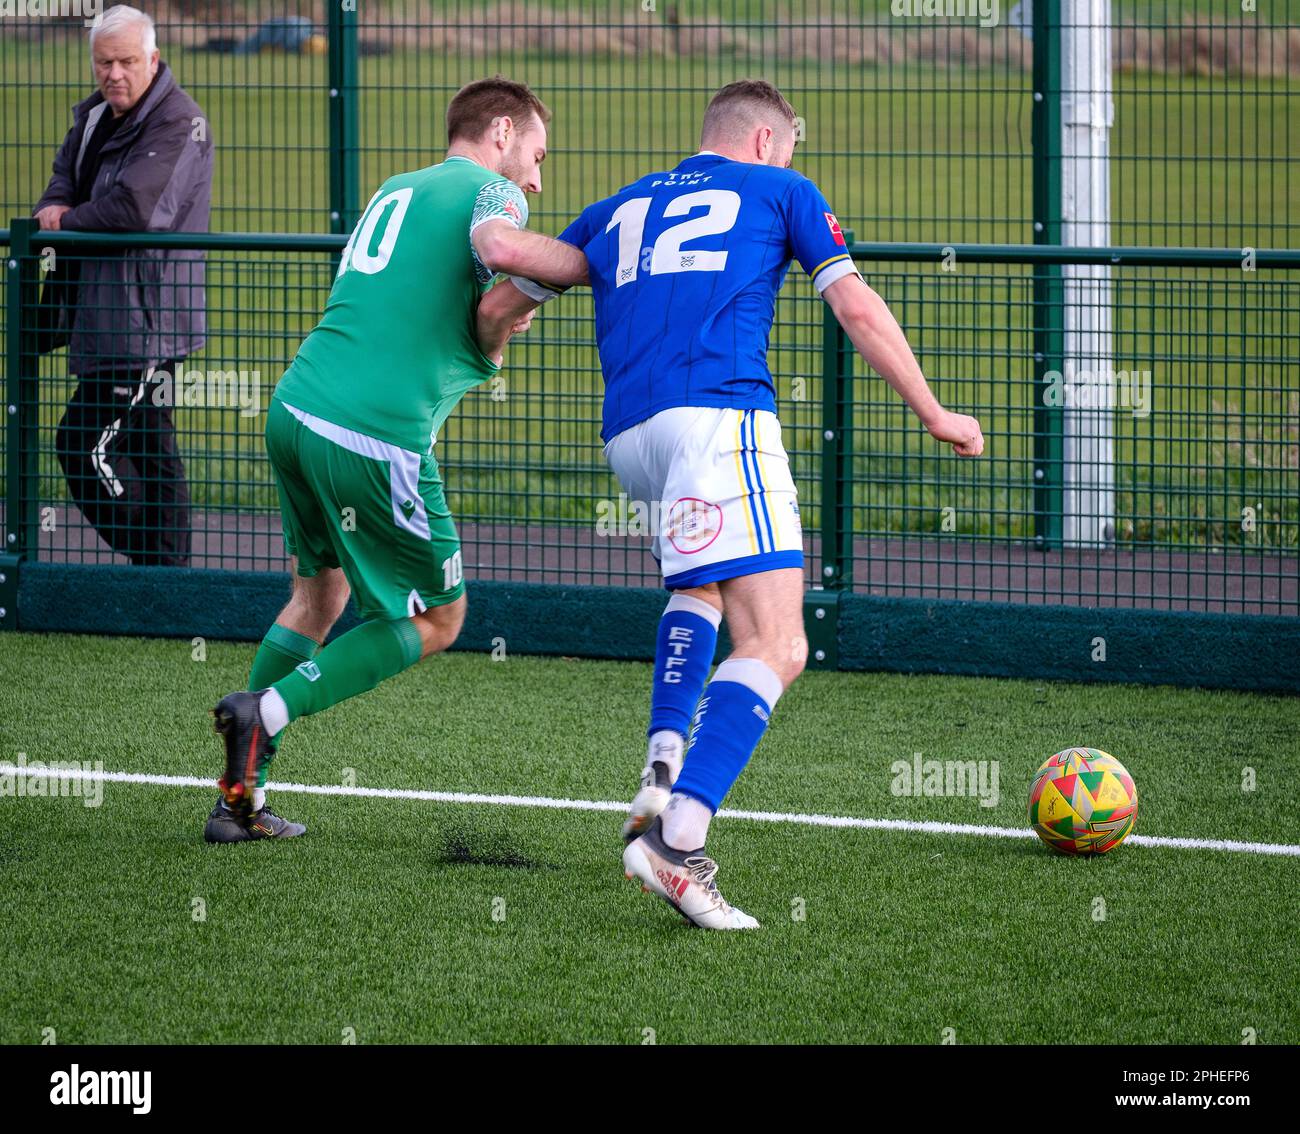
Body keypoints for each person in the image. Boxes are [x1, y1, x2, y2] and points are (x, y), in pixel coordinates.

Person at [477, 79, 985, 928]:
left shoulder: (618, 206)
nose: (790, 162)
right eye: (788, 148)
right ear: (763, 142)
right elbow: (854, 304)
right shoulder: (782, 188)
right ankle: (677, 841)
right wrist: (934, 411)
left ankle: (662, 772)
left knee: (702, 590)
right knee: (779, 642)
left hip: (633, 438)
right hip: (718, 420)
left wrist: (489, 349)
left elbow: (498, 307)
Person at [203, 77, 587, 843]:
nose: (537, 178)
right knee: (439, 617)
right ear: (502, 132)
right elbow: (497, 271)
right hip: (373, 434)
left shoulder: (397, 187)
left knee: (316, 598)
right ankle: (264, 713)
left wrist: (504, 313)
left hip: (296, 406)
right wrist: (585, 267)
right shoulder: (495, 194)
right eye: (537, 155)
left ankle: (237, 801)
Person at [35, 4, 211, 567]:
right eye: (104, 63)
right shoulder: (92, 119)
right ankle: (166, 577)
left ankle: (149, 563)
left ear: (153, 59)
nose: (114, 73)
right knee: (149, 446)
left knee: (81, 446)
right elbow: (62, 179)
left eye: (126, 61)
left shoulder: (180, 121)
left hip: (147, 319)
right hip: (108, 314)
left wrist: (65, 222)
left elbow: (137, 208)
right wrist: (53, 208)